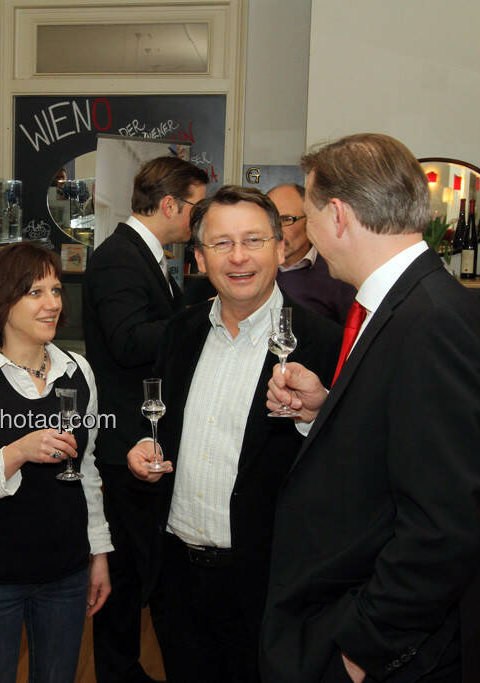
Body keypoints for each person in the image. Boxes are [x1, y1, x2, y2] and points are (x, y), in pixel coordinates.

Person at [263, 133, 480, 683]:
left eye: (310, 215)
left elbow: (444, 525)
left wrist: (360, 649)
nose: (308, 235)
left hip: (395, 651)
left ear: (339, 216)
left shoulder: (433, 319)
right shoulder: (402, 302)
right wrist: (327, 411)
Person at [126, 186, 340, 681]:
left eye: (253, 240)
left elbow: (349, 465)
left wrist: (313, 414)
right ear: (199, 258)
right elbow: (156, 423)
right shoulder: (178, 334)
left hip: (270, 584)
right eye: (221, 244)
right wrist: (146, 444)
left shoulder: (324, 343)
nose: (238, 257)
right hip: (178, 575)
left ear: (281, 247)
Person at [0, 242, 112, 683]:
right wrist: (18, 452)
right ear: (2, 301)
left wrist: (99, 554)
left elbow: (87, 469)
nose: (53, 303)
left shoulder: (79, 371)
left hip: (67, 573)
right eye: (35, 292)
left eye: (55, 290)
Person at [82, 155, 208, 683]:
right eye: (196, 210)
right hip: (124, 436)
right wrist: (203, 317)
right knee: (127, 567)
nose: (199, 222)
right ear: (170, 204)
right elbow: (129, 341)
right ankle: (118, 671)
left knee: (139, 563)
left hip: (143, 430)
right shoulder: (119, 257)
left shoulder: (148, 255)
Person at [269, 183, 356, 325]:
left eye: (286, 220)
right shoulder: (251, 269)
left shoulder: (337, 272)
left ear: (309, 221)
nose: (277, 231)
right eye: (271, 221)